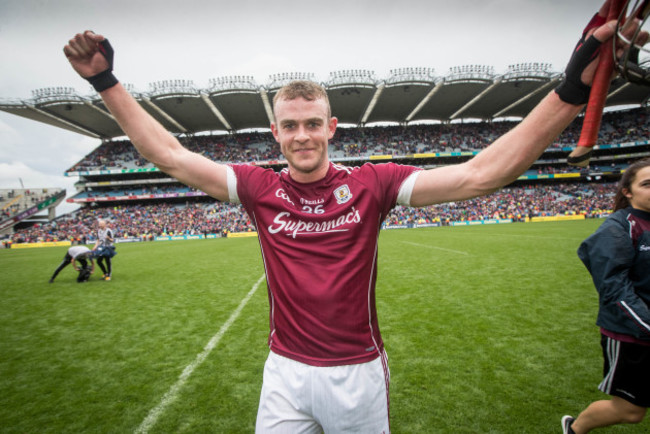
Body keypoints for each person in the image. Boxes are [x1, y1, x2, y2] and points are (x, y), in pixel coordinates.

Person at [63, 3, 647, 431]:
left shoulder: (372, 183)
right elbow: (165, 153)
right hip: (284, 373)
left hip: (356, 373)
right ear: (275, 132)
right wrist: (104, 81)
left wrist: (571, 87)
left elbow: (483, 174)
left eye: (312, 123)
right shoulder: (258, 187)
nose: (302, 135)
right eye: (289, 125)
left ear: (331, 128)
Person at [562, 157, 650, 434]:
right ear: (628, 191)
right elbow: (614, 288)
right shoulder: (618, 228)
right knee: (630, 410)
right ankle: (575, 428)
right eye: (647, 184)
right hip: (632, 334)